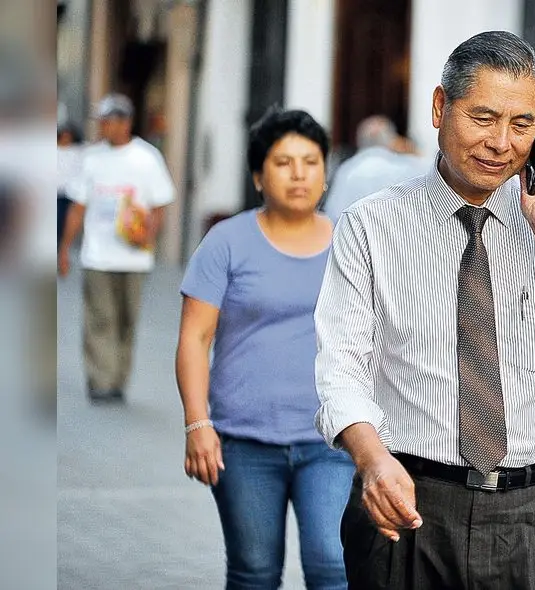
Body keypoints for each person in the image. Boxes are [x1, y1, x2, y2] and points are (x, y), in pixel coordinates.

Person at [313, 31, 535, 588]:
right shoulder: (372, 225)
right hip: (407, 505)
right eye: (483, 118)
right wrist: (372, 461)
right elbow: (341, 367)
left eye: (522, 125)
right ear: (440, 108)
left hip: (532, 520)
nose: (501, 143)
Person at [176, 108, 354, 590]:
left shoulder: (351, 241)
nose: (299, 174)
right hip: (243, 442)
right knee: (254, 572)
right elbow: (194, 338)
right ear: (258, 176)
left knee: (333, 566)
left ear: (325, 173)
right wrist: (197, 424)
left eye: (310, 162)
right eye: (283, 163)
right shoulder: (226, 242)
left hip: (332, 439)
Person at [58, 93, 175, 403]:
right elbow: (77, 208)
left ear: (126, 123)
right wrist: (64, 249)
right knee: (100, 318)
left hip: (134, 257)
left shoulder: (147, 158)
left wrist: (148, 234)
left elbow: (160, 205)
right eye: (102, 121)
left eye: (109, 121)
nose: (104, 127)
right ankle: (100, 381)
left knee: (126, 319)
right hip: (97, 255)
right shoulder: (91, 159)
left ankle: (118, 378)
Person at [322, 114, 428, 227]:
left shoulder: (346, 170)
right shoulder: (406, 166)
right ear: (392, 141)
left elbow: (333, 213)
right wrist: (411, 149)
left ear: (358, 140)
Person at [57, 120, 84, 246]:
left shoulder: (78, 151)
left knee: (68, 220)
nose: (66, 138)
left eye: (68, 135)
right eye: (64, 135)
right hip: (57, 192)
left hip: (72, 193)